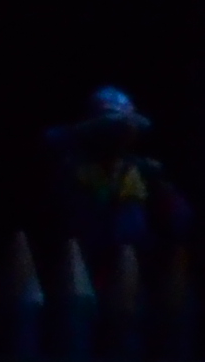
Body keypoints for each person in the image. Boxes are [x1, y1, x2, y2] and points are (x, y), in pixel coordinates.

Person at [41, 86, 189, 259]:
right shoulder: (74, 169)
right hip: (82, 261)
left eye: (126, 127)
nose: (119, 135)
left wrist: (164, 191)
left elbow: (179, 221)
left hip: (133, 263)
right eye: (111, 127)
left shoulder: (142, 170)